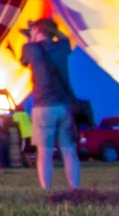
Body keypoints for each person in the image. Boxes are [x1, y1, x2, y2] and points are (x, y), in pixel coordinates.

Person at [21, 18, 83, 192]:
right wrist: (48, 31)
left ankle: (46, 189)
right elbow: (64, 38)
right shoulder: (62, 46)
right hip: (64, 107)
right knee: (69, 151)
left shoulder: (30, 48)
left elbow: (24, 61)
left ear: (39, 30)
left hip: (43, 107)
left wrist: (30, 37)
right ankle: (75, 189)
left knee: (44, 153)